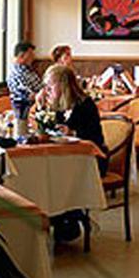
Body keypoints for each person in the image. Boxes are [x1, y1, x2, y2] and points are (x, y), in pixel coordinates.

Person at [41, 64, 107, 242]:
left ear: (62, 85)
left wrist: (73, 133)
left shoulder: (85, 105)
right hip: (64, 159)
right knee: (48, 174)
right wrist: (42, 107)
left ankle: (67, 217)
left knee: (58, 176)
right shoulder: (58, 106)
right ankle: (61, 217)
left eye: (50, 86)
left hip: (91, 160)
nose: (47, 90)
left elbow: (95, 138)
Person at [6, 41, 42, 119]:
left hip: (38, 104)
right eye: (30, 55)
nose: (33, 57)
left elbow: (40, 86)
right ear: (21, 56)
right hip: (25, 110)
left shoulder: (27, 69)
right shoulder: (16, 74)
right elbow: (29, 96)